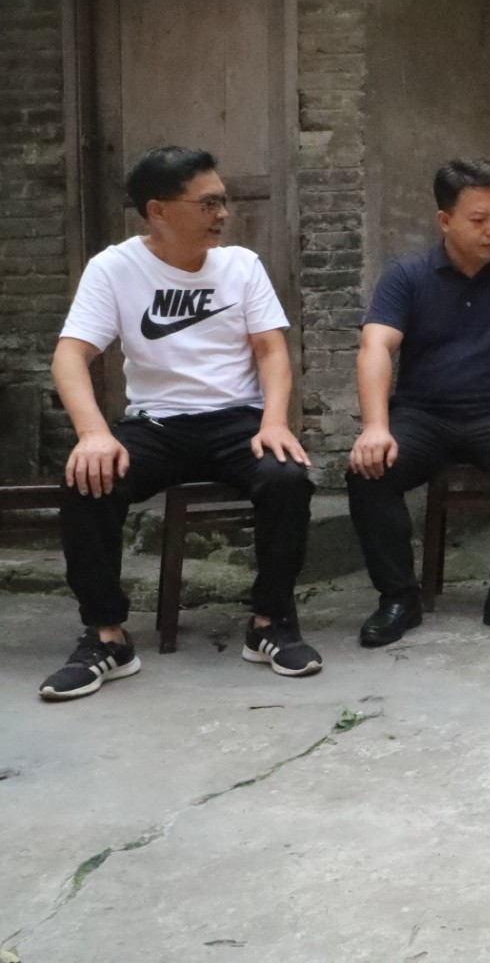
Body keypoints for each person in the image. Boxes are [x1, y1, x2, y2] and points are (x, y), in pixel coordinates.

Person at [39, 146, 318, 700]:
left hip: (237, 421)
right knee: (87, 481)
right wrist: (93, 434)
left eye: (223, 201)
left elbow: (271, 350)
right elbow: (70, 355)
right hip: (156, 425)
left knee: (287, 476)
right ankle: (107, 637)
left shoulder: (242, 265)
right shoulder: (114, 268)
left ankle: (270, 623)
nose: (223, 213)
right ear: (159, 210)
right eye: (208, 203)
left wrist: (274, 421)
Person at [346, 159, 490, 646]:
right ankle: (398, 598)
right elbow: (375, 347)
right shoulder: (407, 276)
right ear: (445, 220)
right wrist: (375, 426)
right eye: (479, 219)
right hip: (422, 416)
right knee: (368, 469)